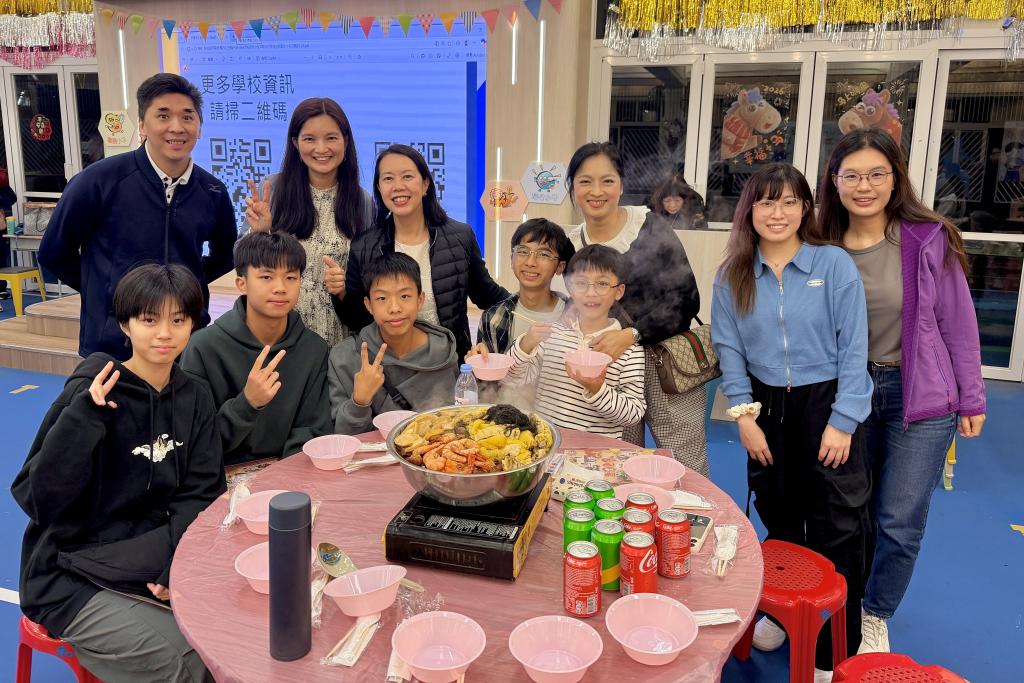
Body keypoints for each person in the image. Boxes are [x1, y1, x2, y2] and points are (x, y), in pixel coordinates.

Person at [816, 128, 986, 655]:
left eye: (877, 174)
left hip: (922, 399)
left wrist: (972, 396)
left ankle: (875, 612)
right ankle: (838, 604)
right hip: (848, 396)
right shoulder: (819, 243)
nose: (864, 186)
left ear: (896, 179)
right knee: (847, 512)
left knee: (900, 520)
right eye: (852, 175)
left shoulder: (928, 238)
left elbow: (958, 321)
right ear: (834, 181)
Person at [11, 264, 224, 683]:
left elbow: (201, 494)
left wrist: (173, 564)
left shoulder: (195, 397)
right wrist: (83, 419)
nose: (164, 334)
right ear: (125, 324)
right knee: (188, 664)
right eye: (149, 320)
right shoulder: (93, 389)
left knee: (231, 637)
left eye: (178, 320)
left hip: (147, 556)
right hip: (68, 575)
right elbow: (38, 499)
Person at [711, 162, 873, 682]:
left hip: (827, 402)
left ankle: (834, 647)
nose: (776, 213)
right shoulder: (734, 274)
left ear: (806, 208)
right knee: (780, 516)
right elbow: (729, 349)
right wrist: (743, 416)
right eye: (765, 202)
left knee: (838, 525)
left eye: (788, 201)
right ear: (749, 210)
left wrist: (843, 420)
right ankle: (782, 615)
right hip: (766, 408)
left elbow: (854, 346)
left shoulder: (833, 264)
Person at [39, 73, 237, 360]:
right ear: (142, 125)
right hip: (113, 343)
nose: (177, 127)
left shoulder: (212, 190)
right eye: (163, 116)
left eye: (187, 117)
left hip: (185, 341)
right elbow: (54, 253)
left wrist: (188, 285)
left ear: (199, 127)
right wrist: (108, 292)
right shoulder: (98, 181)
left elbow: (226, 254)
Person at [564, 142, 706, 474]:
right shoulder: (571, 243)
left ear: (621, 185)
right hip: (611, 365)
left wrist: (632, 334)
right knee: (619, 459)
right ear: (572, 188)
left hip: (665, 361)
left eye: (607, 181)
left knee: (685, 460)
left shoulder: (650, 227)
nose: (596, 191)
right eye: (585, 181)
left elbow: (688, 299)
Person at [337, 144, 508, 361]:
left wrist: (535, 302)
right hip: (389, 367)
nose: (398, 186)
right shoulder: (364, 246)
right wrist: (340, 294)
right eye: (388, 179)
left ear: (425, 183)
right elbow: (356, 319)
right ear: (379, 188)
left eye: (407, 177)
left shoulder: (459, 237)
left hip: (450, 363)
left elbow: (489, 297)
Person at [180, 231, 332, 466]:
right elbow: (194, 441)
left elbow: (313, 430)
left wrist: (285, 478)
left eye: (291, 277)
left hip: (291, 474)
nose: (280, 288)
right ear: (242, 283)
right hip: (221, 474)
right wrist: (247, 403)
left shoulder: (313, 348)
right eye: (267, 277)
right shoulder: (202, 348)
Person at [243, 97, 373, 347]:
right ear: (295, 143)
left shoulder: (361, 201)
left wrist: (345, 287)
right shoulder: (274, 189)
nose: (321, 149)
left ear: (346, 141)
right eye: (310, 139)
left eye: (331, 138)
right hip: (281, 332)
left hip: (341, 337)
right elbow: (243, 263)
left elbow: (368, 277)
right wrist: (260, 233)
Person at [505, 245, 645, 438]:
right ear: (570, 287)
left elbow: (633, 414)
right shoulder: (553, 334)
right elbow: (513, 379)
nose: (591, 292)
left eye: (602, 283)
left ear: (619, 291)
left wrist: (597, 389)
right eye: (581, 283)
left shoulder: (629, 351)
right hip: (546, 443)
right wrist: (526, 344)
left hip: (597, 451)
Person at [329, 252, 459, 435]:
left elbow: (458, 421)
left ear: (420, 300)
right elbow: (341, 438)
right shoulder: (345, 358)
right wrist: (360, 401)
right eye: (382, 298)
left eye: (404, 296)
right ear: (368, 305)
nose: (395, 308)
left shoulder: (443, 352)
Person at [467, 218, 574, 356]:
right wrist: (477, 362)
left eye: (543, 254)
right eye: (523, 251)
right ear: (512, 259)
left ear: (560, 267)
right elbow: (488, 367)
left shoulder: (576, 316)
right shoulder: (493, 318)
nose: (530, 262)